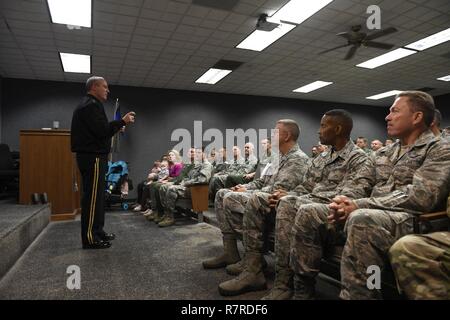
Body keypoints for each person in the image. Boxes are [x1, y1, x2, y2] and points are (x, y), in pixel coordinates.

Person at [290, 91, 450, 299]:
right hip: (371, 211)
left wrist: (358, 205)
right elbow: (360, 183)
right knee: (309, 211)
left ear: (417, 117)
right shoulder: (383, 153)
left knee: (362, 219)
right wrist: (343, 202)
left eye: (394, 111)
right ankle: (302, 291)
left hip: (413, 219)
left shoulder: (440, 149)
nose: (387, 116)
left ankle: (363, 293)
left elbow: (421, 197)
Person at [217, 110, 375, 298]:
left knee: (292, 205)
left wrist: (297, 197)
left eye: (324, 126)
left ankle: (292, 286)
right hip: (309, 206)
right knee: (278, 200)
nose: (318, 131)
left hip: (334, 214)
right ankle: (261, 272)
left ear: (338, 129)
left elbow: (350, 194)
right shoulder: (322, 158)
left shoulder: (359, 158)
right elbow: (306, 186)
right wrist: (289, 194)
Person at [202, 119, 310, 283]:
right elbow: (262, 181)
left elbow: (279, 189)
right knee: (222, 193)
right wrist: (245, 187)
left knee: (233, 198)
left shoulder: (298, 159)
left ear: (287, 136)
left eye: (275, 132)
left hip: (277, 203)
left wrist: (250, 191)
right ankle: (231, 252)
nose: (271, 135)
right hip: (262, 196)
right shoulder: (276, 157)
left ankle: (254, 259)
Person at [71, 76, 135, 249]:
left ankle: (98, 231)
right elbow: (102, 131)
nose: (108, 90)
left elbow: (101, 130)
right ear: (94, 87)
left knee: (98, 198)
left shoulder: (92, 105)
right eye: (105, 87)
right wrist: (122, 121)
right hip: (92, 157)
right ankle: (90, 238)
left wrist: (115, 126)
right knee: (92, 199)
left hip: (95, 157)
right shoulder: (90, 105)